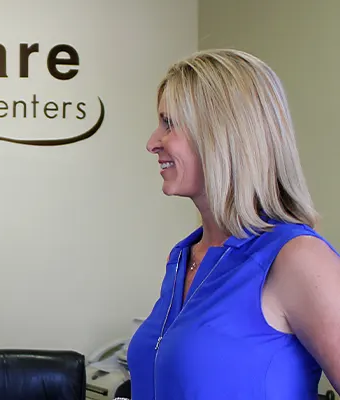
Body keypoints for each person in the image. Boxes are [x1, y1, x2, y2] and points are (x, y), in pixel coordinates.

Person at [126, 48, 340, 398]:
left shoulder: (296, 258)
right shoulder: (184, 257)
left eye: (169, 124)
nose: (153, 143)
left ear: (222, 133)